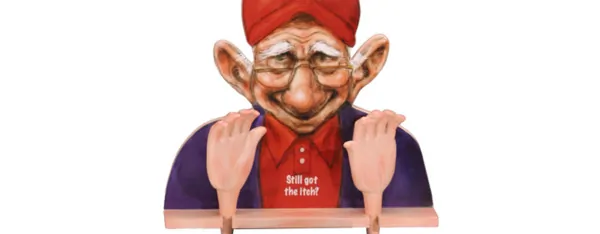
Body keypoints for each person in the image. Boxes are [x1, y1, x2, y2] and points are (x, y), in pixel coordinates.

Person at [164, 0, 433, 218]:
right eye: (279, 60)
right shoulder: (204, 153)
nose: (302, 98)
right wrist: (225, 194)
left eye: (325, 59)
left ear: (362, 70)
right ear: (239, 73)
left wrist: (374, 195)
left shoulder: (396, 151)